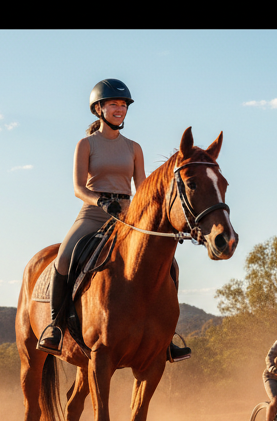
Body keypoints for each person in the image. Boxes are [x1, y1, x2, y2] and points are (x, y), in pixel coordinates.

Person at [37, 79, 191, 363]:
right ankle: (55, 327)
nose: (119, 109)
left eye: (123, 105)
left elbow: (143, 187)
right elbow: (78, 188)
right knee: (65, 257)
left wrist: (157, 218)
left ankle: (166, 337)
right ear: (99, 109)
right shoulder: (86, 144)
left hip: (128, 216)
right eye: (113, 105)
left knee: (170, 264)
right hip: (93, 213)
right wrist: (100, 201)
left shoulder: (134, 147)